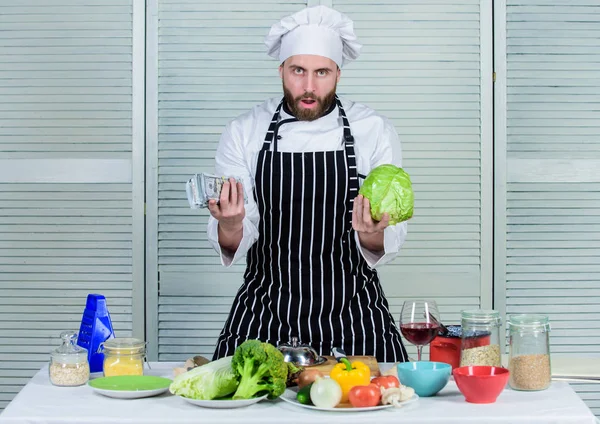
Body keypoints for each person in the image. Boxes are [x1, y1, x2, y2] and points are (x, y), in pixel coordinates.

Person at [206, 5, 409, 362]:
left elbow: (385, 241)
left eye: (322, 72)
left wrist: (372, 232)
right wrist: (230, 223)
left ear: (338, 74)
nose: (309, 87)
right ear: (281, 69)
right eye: (298, 71)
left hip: (355, 316)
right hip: (264, 314)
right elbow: (236, 237)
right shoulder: (244, 131)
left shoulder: (373, 130)